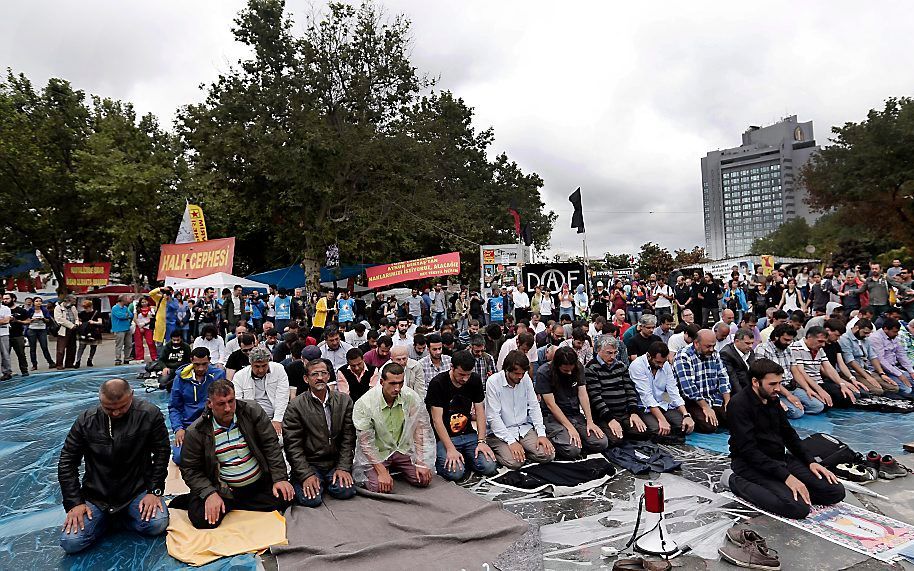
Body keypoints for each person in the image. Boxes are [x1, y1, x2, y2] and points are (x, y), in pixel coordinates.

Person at [723, 359, 844, 519]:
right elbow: (749, 451)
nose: (778, 389)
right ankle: (733, 481)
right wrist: (786, 477)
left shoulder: (773, 399)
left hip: (779, 458)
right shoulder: (738, 405)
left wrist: (810, 461)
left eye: (780, 383)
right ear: (755, 382)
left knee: (835, 491)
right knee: (797, 508)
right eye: (772, 384)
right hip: (750, 464)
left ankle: (784, 488)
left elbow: (789, 434)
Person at [58, 379, 169, 553]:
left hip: (135, 492)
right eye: (109, 408)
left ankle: (114, 519)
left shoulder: (149, 414)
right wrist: (74, 502)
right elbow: (67, 461)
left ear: (131, 396)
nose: (116, 413)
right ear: (100, 399)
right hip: (97, 496)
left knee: (157, 524)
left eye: (122, 407)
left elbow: (162, 452)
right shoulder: (86, 421)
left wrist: (154, 491)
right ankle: (109, 519)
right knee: (71, 542)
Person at [179, 379, 294, 528]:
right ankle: (214, 500)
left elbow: (270, 445)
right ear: (209, 404)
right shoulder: (196, 431)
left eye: (231, 401)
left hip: (256, 483)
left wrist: (279, 478)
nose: (228, 408)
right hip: (222, 488)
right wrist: (209, 493)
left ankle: (232, 504)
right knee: (202, 519)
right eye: (221, 404)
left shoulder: (251, 411)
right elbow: (190, 469)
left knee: (287, 497)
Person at [283, 359, 357, 507]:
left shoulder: (344, 401)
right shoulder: (296, 406)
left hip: (334, 462)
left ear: (329, 376)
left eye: (323, 373)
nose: (320, 378)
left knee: (346, 491)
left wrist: (343, 467)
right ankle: (308, 482)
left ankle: (326, 482)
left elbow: (348, 438)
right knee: (311, 499)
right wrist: (306, 475)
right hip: (311, 463)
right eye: (315, 374)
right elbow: (293, 446)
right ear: (306, 379)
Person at [352, 363, 435, 492]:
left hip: (402, 449)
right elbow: (365, 443)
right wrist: (381, 471)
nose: (397, 388)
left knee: (423, 479)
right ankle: (385, 469)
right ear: (382, 382)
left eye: (400, 383)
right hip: (379, 453)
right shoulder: (365, 403)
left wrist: (421, 462)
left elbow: (419, 429)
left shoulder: (410, 396)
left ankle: (396, 467)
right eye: (392, 383)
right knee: (379, 487)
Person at [425, 350, 499, 480]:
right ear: (452, 367)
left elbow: (480, 411)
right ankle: (460, 458)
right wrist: (450, 449)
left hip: (468, 434)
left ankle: (467, 457)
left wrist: (482, 441)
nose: (465, 379)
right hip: (445, 437)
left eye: (468, 375)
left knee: (489, 467)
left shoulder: (474, 380)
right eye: (461, 374)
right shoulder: (438, 383)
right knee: (456, 473)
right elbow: (437, 421)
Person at [535, 346, 608, 459]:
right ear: (557, 365)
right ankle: (558, 438)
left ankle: (578, 439)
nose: (569, 373)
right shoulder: (544, 372)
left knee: (601, 442)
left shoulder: (578, 367)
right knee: (572, 450)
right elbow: (551, 405)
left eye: (571, 369)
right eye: (565, 370)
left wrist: (590, 421)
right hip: (552, 416)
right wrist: (570, 428)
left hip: (574, 414)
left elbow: (583, 394)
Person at [485, 351, 555, 469]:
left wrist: (541, 434)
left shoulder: (525, 378)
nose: (520, 377)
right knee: (515, 462)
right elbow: (493, 417)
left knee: (548, 454)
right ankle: (501, 451)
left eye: (522, 373)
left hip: (523, 429)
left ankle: (523, 450)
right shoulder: (493, 382)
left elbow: (534, 406)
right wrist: (511, 442)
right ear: (507, 370)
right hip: (500, 433)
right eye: (517, 373)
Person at [585, 337, 648, 446]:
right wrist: (610, 419)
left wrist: (633, 412)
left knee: (643, 432)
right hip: (604, 414)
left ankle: (624, 427)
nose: (613, 357)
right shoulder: (591, 368)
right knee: (615, 440)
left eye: (615, 353)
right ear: (598, 351)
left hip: (624, 412)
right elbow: (596, 397)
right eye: (609, 353)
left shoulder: (621, 366)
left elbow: (630, 390)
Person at [169, 347, 226, 464]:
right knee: (179, 458)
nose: (201, 368)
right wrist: (178, 429)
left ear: (210, 360)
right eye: (197, 364)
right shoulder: (180, 378)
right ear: (191, 361)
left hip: (212, 423)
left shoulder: (218, 375)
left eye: (204, 364)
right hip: (188, 425)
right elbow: (174, 407)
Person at [629, 342, 695, 441]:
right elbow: (647, 397)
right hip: (643, 406)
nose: (661, 366)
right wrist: (662, 420)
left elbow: (673, 391)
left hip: (662, 402)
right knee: (657, 430)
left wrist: (686, 414)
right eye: (658, 362)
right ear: (649, 356)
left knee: (684, 425)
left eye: (663, 362)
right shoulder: (637, 365)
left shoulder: (665, 365)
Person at [672, 330, 731, 433]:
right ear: (696, 344)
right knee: (709, 426)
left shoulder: (714, 354)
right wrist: (705, 407)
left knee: (733, 418)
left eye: (713, 345)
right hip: (693, 401)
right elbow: (689, 388)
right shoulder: (683, 356)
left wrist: (728, 402)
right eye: (708, 346)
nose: (711, 349)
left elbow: (723, 377)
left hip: (714, 397)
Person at [231, 346, 291, 435]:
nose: (261, 370)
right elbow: (238, 403)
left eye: (264, 365)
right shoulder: (239, 376)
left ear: (268, 362)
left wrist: (277, 420)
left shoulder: (279, 369)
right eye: (257, 366)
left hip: (277, 416)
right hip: (251, 420)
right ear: (250, 364)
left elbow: (282, 397)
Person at [839, 318, 904, 396]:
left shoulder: (865, 339)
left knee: (894, 387)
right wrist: (868, 377)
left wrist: (881, 373)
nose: (867, 335)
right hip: (851, 372)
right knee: (877, 390)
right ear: (857, 328)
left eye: (868, 333)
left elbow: (873, 357)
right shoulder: (845, 339)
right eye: (865, 333)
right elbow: (851, 361)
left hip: (865, 369)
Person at [869, 317, 914, 398]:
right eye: (895, 332)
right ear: (885, 329)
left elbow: (901, 355)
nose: (897, 334)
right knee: (907, 390)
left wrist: (911, 371)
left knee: (911, 380)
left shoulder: (894, 337)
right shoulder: (875, 338)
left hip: (893, 368)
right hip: (880, 370)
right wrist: (899, 375)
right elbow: (881, 360)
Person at [719, 329, 757, 394]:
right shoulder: (726, 354)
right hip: (738, 392)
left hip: (751, 388)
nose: (751, 346)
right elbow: (733, 379)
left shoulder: (750, 351)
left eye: (752, 343)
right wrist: (742, 397)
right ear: (737, 341)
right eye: (747, 343)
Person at [2, 293, 29, 377]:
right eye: (4, 299)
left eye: (7, 298)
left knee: (21, 354)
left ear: (13, 299)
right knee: (5, 355)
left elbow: (28, 321)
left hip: (17, 335)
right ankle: (6, 372)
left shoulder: (21, 310)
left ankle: (24, 371)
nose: (5, 300)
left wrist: (18, 321)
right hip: (5, 335)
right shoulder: (3, 309)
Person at [27, 296, 56, 370]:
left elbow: (48, 320)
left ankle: (51, 362)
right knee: (32, 348)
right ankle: (34, 365)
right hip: (32, 330)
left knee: (44, 347)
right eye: (36, 301)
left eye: (40, 301)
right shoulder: (31, 310)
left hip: (42, 330)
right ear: (33, 302)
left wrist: (43, 319)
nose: (38, 302)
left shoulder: (44, 310)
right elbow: (27, 320)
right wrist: (32, 319)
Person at [54, 295, 80, 370]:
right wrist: (71, 325)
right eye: (73, 301)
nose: (74, 303)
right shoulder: (58, 308)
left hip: (73, 329)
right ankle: (59, 364)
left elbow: (76, 317)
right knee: (61, 348)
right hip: (64, 329)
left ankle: (69, 363)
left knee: (72, 347)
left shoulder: (73, 308)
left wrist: (76, 323)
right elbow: (59, 319)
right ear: (67, 301)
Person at [132, 297, 158, 364]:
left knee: (150, 343)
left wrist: (145, 324)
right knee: (138, 343)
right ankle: (139, 357)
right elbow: (135, 318)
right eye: (142, 302)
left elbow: (152, 318)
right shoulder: (137, 309)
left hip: (148, 327)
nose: (144, 303)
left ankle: (154, 356)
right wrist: (139, 325)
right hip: (138, 327)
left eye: (145, 302)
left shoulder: (151, 309)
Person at [110, 294, 133, 366]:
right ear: (122, 300)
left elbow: (131, 315)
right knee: (119, 344)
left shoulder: (125, 307)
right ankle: (118, 359)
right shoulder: (115, 308)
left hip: (127, 328)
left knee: (129, 344)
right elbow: (120, 316)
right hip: (119, 329)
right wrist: (126, 316)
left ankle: (127, 358)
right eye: (127, 298)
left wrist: (126, 315)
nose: (128, 300)